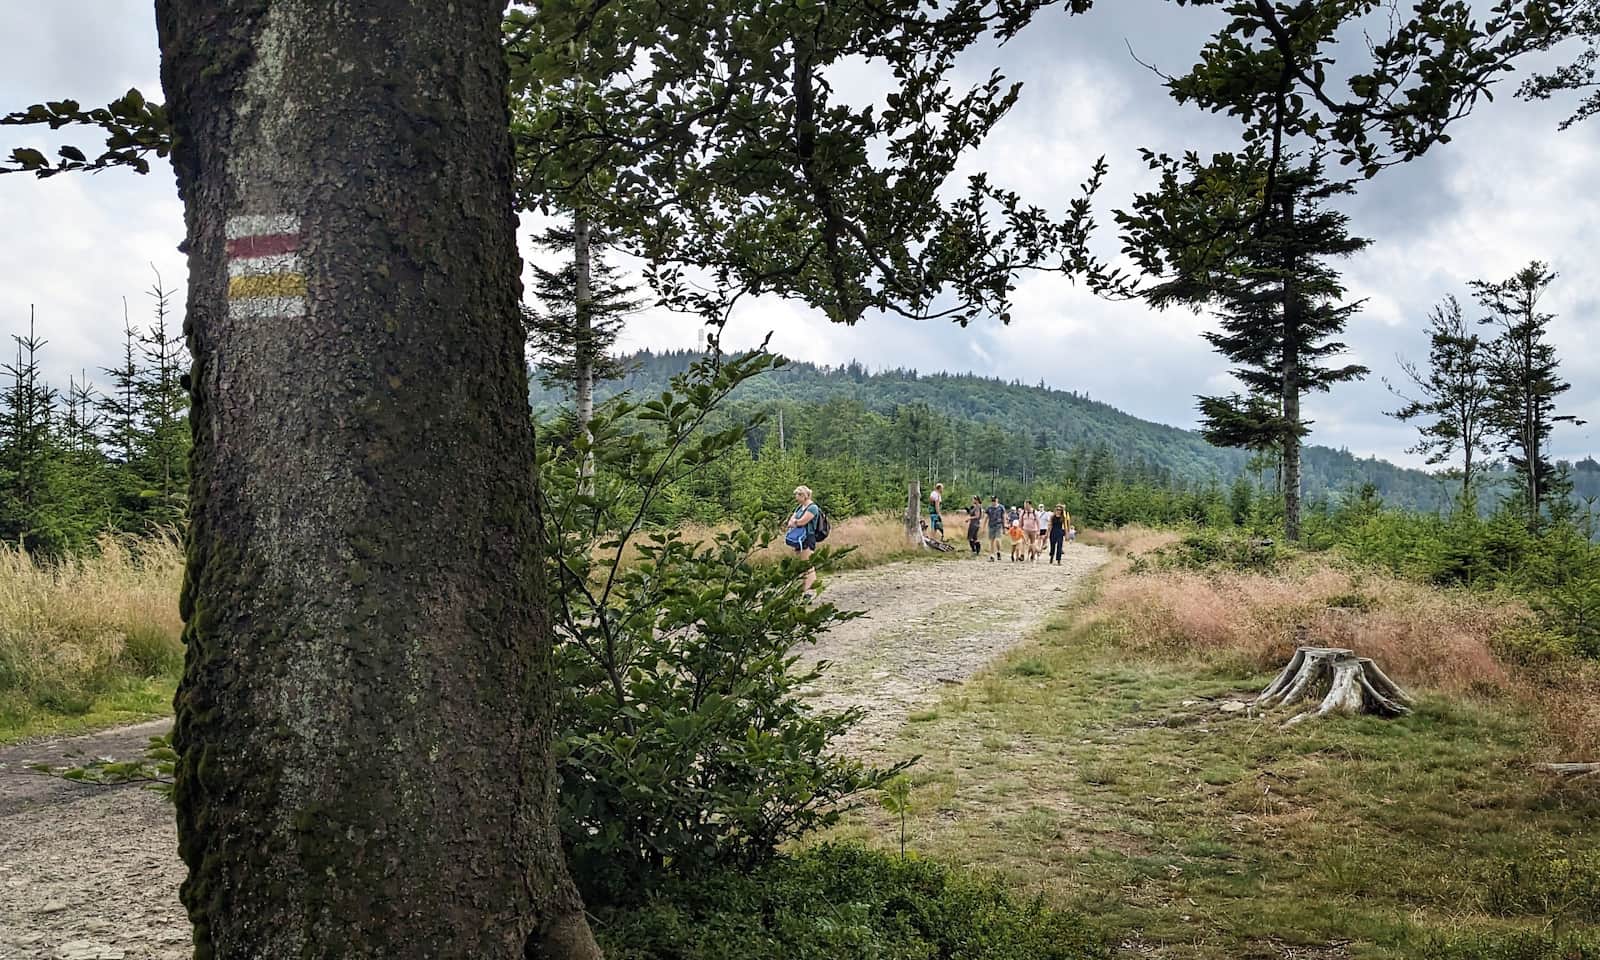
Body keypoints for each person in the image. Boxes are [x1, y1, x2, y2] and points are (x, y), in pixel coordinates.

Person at [786, 485, 822, 595]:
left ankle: (808, 591)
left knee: (808, 565)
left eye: (798, 495)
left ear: (804, 495)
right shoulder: (799, 507)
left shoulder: (812, 508)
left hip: (807, 538)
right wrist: (794, 522)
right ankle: (805, 589)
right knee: (802, 564)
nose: (796, 497)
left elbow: (802, 521)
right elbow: (791, 521)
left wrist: (795, 522)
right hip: (798, 538)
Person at [984, 495, 1006, 561]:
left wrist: (1004, 526)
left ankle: (998, 551)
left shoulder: (1001, 507)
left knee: (997, 540)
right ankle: (992, 555)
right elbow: (986, 517)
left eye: (994, 500)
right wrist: (983, 526)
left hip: (998, 525)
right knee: (991, 541)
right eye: (992, 500)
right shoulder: (989, 508)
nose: (993, 502)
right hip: (991, 525)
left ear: (997, 500)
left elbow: (1004, 517)